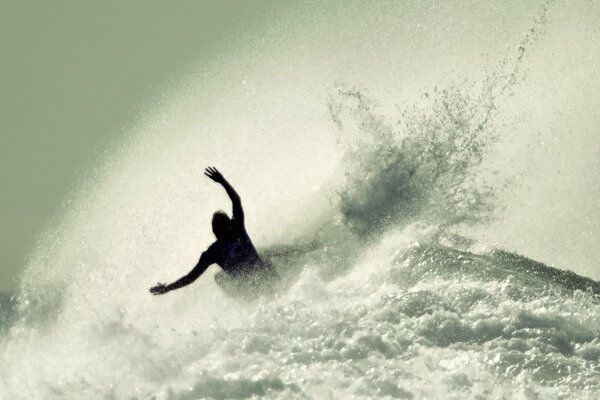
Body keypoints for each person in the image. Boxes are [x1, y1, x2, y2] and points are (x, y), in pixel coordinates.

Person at [149, 167, 278, 298]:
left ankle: (244, 299)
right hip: (263, 275)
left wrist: (168, 288)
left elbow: (191, 277)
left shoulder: (213, 252)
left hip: (251, 286)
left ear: (214, 231)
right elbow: (236, 200)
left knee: (219, 278)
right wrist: (222, 180)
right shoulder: (236, 229)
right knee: (261, 258)